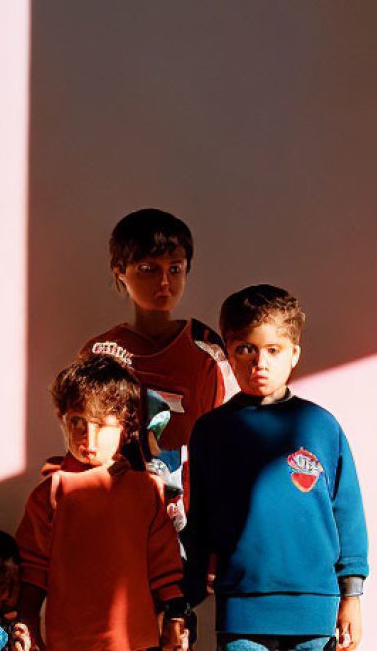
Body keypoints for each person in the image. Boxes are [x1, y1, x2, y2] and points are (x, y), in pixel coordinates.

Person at [182, 285, 369, 651]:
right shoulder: (210, 431)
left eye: (273, 350)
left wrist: (352, 595)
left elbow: (347, 513)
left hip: (316, 608)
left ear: (294, 353)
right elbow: (199, 523)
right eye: (246, 350)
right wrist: (182, 605)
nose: (260, 363)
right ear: (229, 355)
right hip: (241, 609)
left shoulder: (320, 426)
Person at [14, 354, 190, 651]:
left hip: (135, 642)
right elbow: (32, 570)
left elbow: (164, 568)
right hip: (67, 642)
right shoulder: (50, 493)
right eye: (77, 422)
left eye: (101, 424)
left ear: (125, 426)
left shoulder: (146, 490)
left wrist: (175, 620)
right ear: (63, 420)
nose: (88, 437)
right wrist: (27, 624)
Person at [80, 208, 236, 528]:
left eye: (175, 269)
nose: (164, 282)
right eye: (149, 269)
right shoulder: (99, 353)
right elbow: (82, 443)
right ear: (120, 271)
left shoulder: (206, 349)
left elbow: (230, 440)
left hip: (190, 522)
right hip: (117, 520)